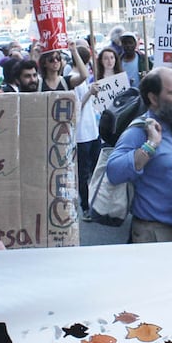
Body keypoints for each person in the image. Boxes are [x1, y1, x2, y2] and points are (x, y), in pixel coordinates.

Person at [106, 67, 172, 243]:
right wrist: (150, 146)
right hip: (155, 233)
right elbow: (114, 171)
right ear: (153, 98)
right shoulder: (139, 130)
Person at [72, 42, 101, 217]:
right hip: (81, 134)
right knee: (83, 173)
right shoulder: (73, 78)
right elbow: (76, 106)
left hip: (93, 131)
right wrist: (89, 92)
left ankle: (96, 202)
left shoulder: (86, 78)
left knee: (96, 169)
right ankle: (85, 206)